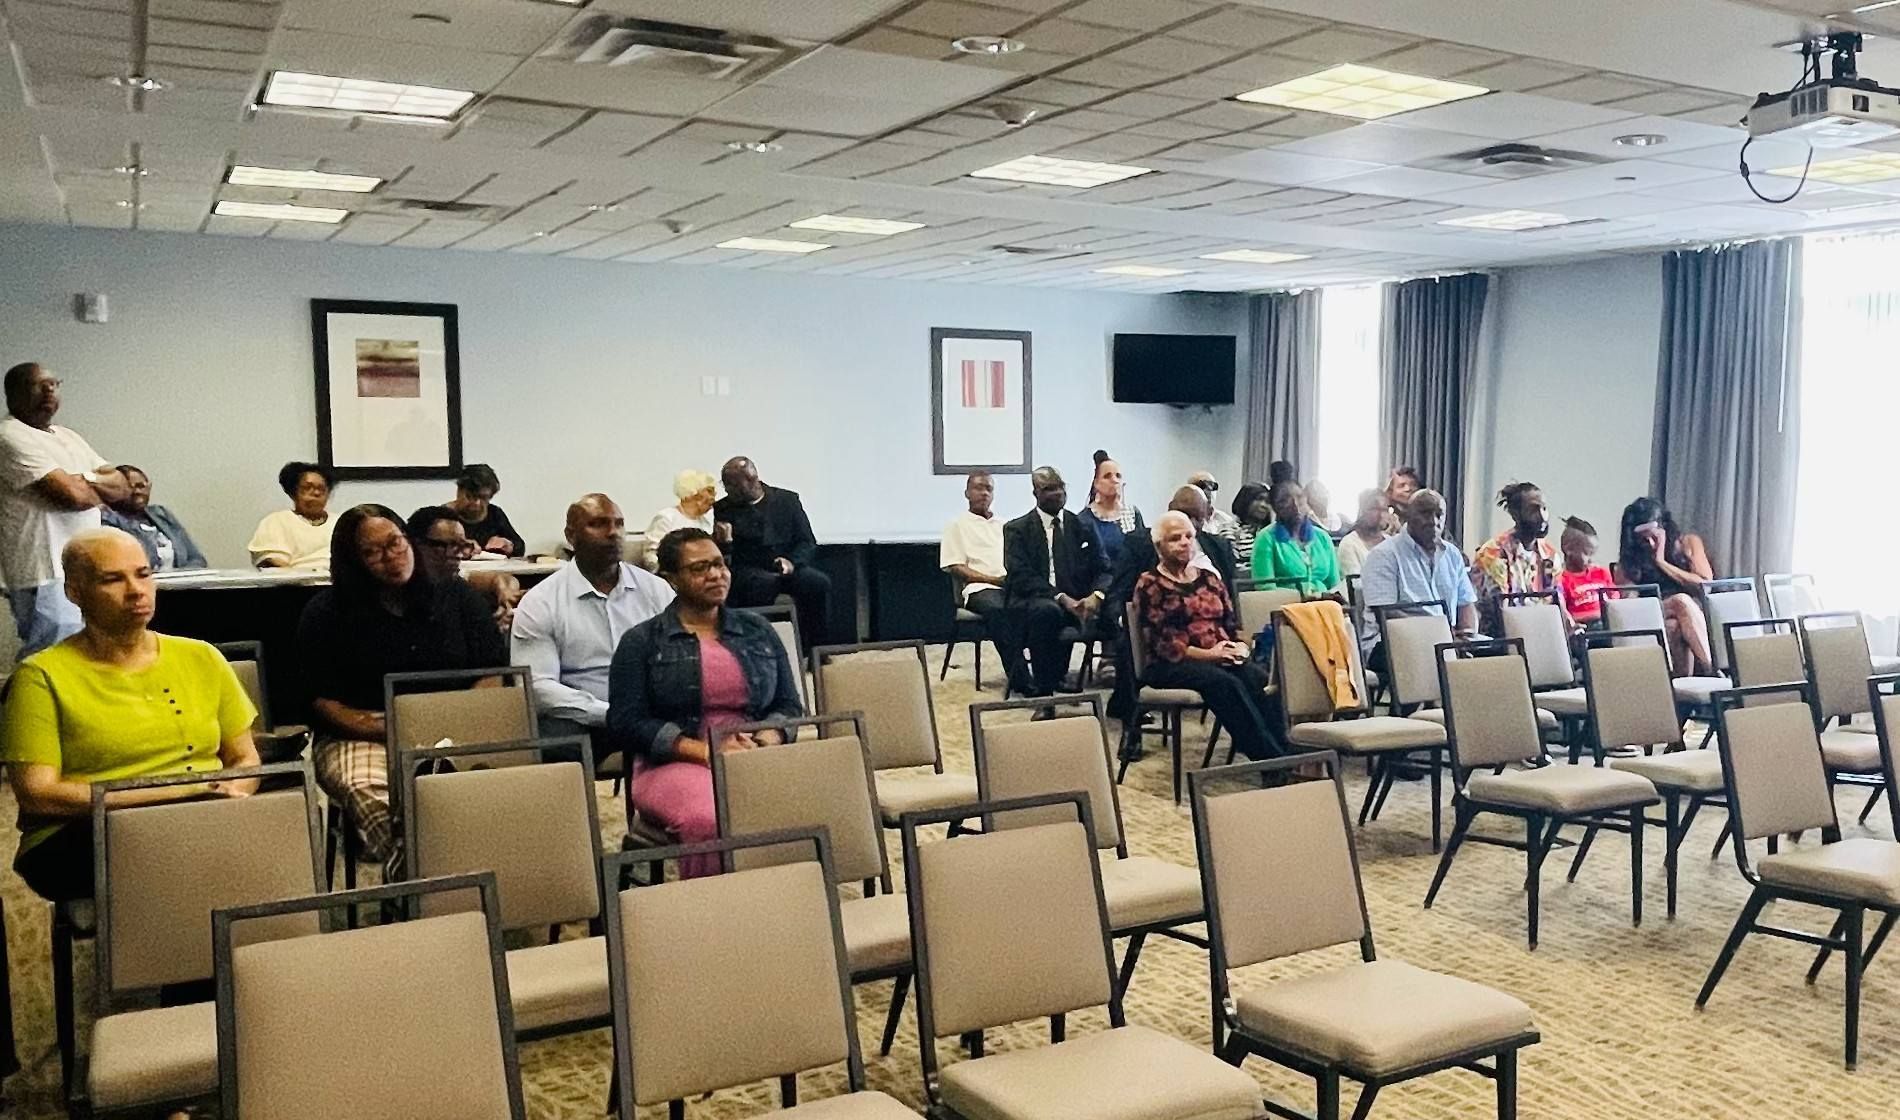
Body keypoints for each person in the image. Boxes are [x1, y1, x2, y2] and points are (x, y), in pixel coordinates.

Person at [2, 528, 259, 902]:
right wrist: (166, 798)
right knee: (193, 863)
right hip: (84, 829)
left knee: (281, 831)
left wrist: (237, 791)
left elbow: (243, 755)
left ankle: (258, 956)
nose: (136, 590)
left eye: (143, 574)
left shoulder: (201, 656)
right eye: (112, 579)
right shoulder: (40, 677)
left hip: (201, 812)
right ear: (75, 592)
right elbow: (39, 794)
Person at [296, 504, 509, 869]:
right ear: (353, 561)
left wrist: (458, 722)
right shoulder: (326, 614)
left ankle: (438, 878)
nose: (391, 558)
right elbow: (321, 700)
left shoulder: (457, 599)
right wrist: (396, 730)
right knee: (380, 799)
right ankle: (431, 882)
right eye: (372, 552)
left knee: (511, 789)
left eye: (396, 543)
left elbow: (491, 673)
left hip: (456, 725)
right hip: (363, 734)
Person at [607, 528, 801, 877]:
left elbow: (789, 705)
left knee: (821, 799)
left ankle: (789, 909)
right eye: (699, 568)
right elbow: (626, 721)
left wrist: (764, 740)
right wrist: (707, 751)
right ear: (671, 579)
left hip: (753, 754)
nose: (715, 574)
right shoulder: (642, 641)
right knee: (710, 818)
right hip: (672, 763)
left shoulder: (758, 629)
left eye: (719, 564)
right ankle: (714, 919)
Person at [512, 494, 674, 759]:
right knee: (555, 744)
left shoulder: (656, 590)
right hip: (586, 719)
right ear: (571, 536)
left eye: (619, 524)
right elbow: (538, 688)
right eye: (598, 524)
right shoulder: (542, 601)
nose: (613, 533)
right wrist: (608, 713)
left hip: (653, 711)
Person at [0, 362, 128, 656]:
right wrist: (92, 485)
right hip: (44, 572)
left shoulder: (67, 436)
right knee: (52, 657)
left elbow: (122, 486)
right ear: (13, 393)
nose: (48, 390)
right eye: (38, 385)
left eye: (53, 384)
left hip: (86, 568)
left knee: (89, 658)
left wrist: (86, 480)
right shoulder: (10, 436)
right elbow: (72, 496)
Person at [1131, 511, 1281, 761]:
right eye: (1175, 538)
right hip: (1173, 663)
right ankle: (1267, 758)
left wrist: (1240, 648)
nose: (1184, 542)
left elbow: (1232, 625)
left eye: (1189, 536)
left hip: (1219, 657)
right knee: (1224, 684)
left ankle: (1286, 750)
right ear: (1159, 546)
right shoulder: (1150, 584)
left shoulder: (1210, 579)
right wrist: (1210, 654)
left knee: (1260, 679)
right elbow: (1164, 644)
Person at [1002, 467, 1103, 697]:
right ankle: (1045, 691)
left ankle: (1124, 700)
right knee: (1048, 612)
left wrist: (1096, 596)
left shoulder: (1083, 526)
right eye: (1049, 489)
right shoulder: (1016, 529)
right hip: (1032, 600)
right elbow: (1021, 575)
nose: (1057, 493)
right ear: (1035, 493)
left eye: (1060, 487)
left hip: (1078, 600)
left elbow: (1103, 568)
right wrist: (1060, 597)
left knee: (1118, 613)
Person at [713, 455, 831, 644]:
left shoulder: (787, 500)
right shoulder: (723, 508)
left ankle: (816, 648)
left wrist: (792, 562)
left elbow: (806, 541)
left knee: (818, 583)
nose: (727, 489)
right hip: (749, 569)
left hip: (789, 565)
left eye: (732, 485)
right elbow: (724, 555)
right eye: (726, 484)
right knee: (762, 584)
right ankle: (758, 644)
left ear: (751, 481)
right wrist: (725, 541)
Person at [1358, 489, 1478, 665]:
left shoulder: (1452, 554)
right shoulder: (1384, 555)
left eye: (1439, 515)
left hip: (1445, 639)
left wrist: (1468, 635)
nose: (1433, 521)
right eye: (1425, 513)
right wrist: (1439, 634)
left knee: (1500, 653)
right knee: (1437, 659)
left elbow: (1466, 604)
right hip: (1393, 641)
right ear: (1407, 515)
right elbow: (1386, 613)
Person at [940, 471, 1027, 692]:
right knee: (1000, 611)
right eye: (978, 488)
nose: (984, 493)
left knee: (1041, 609)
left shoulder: (1005, 525)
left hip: (1010, 585)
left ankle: (1051, 673)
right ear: (967, 493)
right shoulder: (957, 525)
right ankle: (1021, 679)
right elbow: (956, 566)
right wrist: (993, 580)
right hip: (979, 588)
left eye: (988, 488)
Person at [1617, 497, 1716, 675]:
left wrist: (1662, 562)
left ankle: (1683, 693)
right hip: (1655, 611)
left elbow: (1704, 584)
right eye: (1643, 540)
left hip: (1693, 613)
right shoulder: (1630, 560)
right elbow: (1630, 606)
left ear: (1665, 528)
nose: (1651, 544)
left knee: (1675, 626)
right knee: (1680, 602)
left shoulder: (1688, 542)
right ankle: (1712, 670)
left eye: (1655, 537)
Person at [1468, 481, 1566, 636]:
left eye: (1544, 508)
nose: (1542, 516)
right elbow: (1499, 610)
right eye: (1534, 509)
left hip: (1541, 633)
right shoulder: (1492, 553)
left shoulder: (1550, 554)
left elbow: (1557, 602)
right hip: (1503, 637)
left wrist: (1571, 630)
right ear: (1515, 514)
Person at [406, 505, 523, 633]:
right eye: (447, 545)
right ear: (417, 545)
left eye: (461, 546)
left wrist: (506, 595)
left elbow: (498, 579)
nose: (459, 555)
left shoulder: (454, 580)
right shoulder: (401, 587)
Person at [101, 464, 206, 571]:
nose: (137, 492)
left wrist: (180, 578)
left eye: (140, 486)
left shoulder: (161, 514)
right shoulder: (107, 520)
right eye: (128, 487)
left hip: (183, 584)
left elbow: (196, 558)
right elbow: (129, 567)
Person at [1250, 480, 1341, 595]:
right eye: (1285, 501)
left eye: (1300, 498)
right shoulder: (1266, 538)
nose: (1296, 506)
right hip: (1285, 608)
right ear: (1275, 508)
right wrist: (1301, 598)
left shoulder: (1322, 537)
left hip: (1324, 606)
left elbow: (1334, 584)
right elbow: (1265, 588)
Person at [248, 461, 335, 571]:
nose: (316, 493)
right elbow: (271, 560)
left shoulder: (341, 522)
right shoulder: (276, 522)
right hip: (291, 584)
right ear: (293, 492)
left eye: (321, 489)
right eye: (308, 487)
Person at [1075, 452, 1146, 583]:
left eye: (1118, 476)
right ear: (1096, 484)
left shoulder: (1133, 513)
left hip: (1132, 584)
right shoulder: (1084, 519)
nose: (1114, 480)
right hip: (1099, 586)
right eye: (1107, 476)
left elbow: (1143, 553)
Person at [642, 469, 718, 570]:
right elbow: (651, 556)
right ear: (692, 493)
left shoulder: (705, 523)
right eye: (709, 491)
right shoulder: (666, 518)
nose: (713, 498)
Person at [448, 463, 525, 558]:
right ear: (459, 492)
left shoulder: (495, 514)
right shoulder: (443, 515)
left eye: (484, 498)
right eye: (470, 496)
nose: (477, 503)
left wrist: (508, 545)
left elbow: (520, 547)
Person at [1558, 516, 1614, 627]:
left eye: (1593, 554)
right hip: (1584, 628)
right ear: (1568, 549)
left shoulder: (1602, 573)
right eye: (1587, 553)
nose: (1591, 559)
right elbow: (1564, 615)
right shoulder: (1562, 580)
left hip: (1608, 624)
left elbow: (1616, 604)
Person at [1335, 488, 1388, 579]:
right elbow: (1356, 586)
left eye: (1385, 509)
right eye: (1375, 509)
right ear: (1362, 511)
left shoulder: (1392, 543)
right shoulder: (1349, 544)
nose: (1381, 515)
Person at [1228, 481, 1272, 567]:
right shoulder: (1230, 530)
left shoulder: (1270, 533)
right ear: (1245, 501)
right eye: (1259, 499)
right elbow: (1232, 566)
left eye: (1268, 502)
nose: (1264, 505)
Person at [1188, 470, 1238, 538]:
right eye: (1202, 485)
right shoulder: (1183, 520)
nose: (1209, 490)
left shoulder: (1226, 520)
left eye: (1213, 486)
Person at [1381, 466, 1421, 534]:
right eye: (1401, 486)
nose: (1408, 489)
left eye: (1413, 485)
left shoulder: (1424, 516)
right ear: (1390, 491)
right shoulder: (1383, 517)